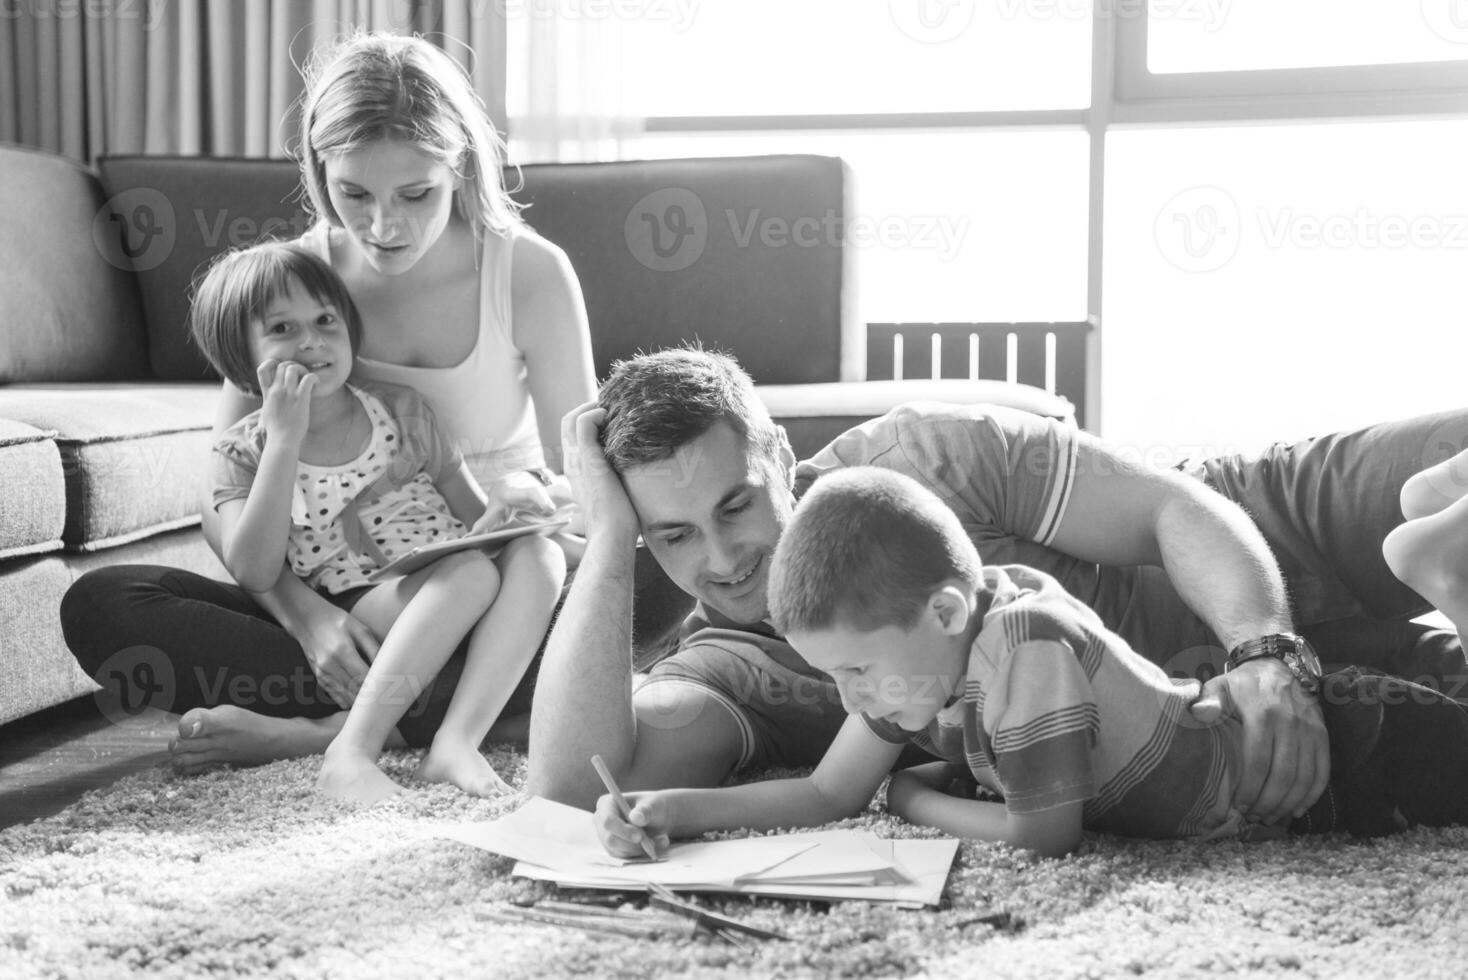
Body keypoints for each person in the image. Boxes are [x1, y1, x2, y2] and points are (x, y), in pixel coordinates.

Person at [529, 347, 1465, 829]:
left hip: (1271, 533)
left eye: (735, 505)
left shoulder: (916, 456)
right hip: (1221, 710)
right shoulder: (732, 665)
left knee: (1451, 468)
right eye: (672, 534)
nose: (722, 560)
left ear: (780, 454)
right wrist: (607, 540)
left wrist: (1263, 650)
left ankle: (1434, 531)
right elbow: (575, 789)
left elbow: (1173, 512)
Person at [60, 31, 596, 772]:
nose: (383, 227)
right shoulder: (294, 286)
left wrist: (551, 507)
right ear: (320, 171)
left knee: (639, 584)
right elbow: (227, 496)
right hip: (334, 595)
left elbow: (586, 471)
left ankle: (319, 733)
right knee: (104, 604)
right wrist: (308, 619)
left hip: (494, 581)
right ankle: (454, 710)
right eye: (353, 195)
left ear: (460, 166)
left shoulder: (529, 271)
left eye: (416, 195)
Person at [594, 467, 1468, 859]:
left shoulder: (1025, 644)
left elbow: (1044, 835)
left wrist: (912, 795)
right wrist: (672, 807)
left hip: (1349, 755)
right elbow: (826, 793)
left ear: (941, 611)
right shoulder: (915, 658)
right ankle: (1438, 528)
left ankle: (1443, 565)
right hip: (1256, 730)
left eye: (855, 671)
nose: (849, 696)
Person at [189, 241, 564, 802]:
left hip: (456, 575)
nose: (312, 340)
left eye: (324, 320)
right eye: (282, 330)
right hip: (368, 597)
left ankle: (455, 740)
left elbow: (474, 521)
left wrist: (516, 505)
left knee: (542, 555)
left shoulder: (403, 409)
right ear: (243, 361)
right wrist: (284, 437)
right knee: (471, 574)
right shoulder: (243, 451)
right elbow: (254, 569)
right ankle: (353, 751)